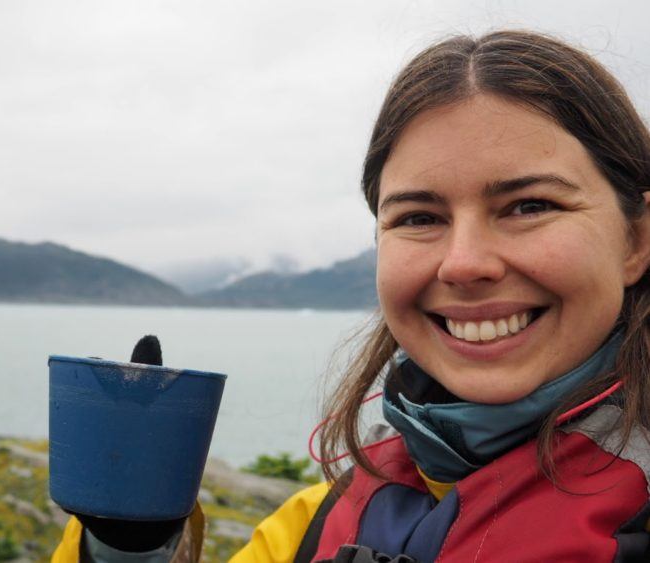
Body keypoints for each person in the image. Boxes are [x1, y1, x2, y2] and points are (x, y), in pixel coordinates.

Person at [52, 29, 650, 562]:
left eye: (530, 206)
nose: (464, 263)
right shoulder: (315, 524)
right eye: (419, 217)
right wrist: (125, 545)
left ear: (636, 240)